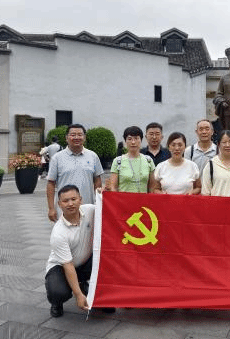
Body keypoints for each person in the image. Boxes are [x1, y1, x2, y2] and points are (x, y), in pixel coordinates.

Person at [44, 185, 114, 317]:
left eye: (73, 199)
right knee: (58, 292)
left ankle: (94, 292)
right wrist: (78, 295)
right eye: (65, 201)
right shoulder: (58, 233)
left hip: (86, 261)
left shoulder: (90, 210)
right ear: (59, 204)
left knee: (110, 261)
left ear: (80, 200)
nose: (70, 204)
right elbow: (68, 266)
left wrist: (106, 194)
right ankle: (57, 302)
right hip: (61, 267)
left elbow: (109, 208)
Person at [47, 124, 104, 222]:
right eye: (73, 135)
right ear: (66, 138)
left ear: (84, 137)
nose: (77, 137)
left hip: (88, 208)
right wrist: (51, 208)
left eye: (80, 135)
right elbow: (51, 184)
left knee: (87, 232)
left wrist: (98, 203)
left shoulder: (93, 156)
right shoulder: (57, 158)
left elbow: (97, 180)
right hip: (65, 209)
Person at [111, 126, 156, 193]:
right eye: (129, 139)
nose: (133, 142)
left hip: (143, 199)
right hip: (123, 199)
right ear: (125, 141)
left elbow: (152, 187)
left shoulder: (148, 160)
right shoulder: (118, 161)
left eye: (136, 138)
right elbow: (113, 187)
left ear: (141, 140)